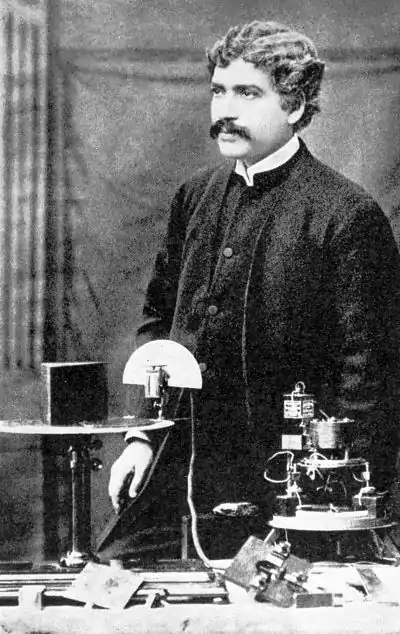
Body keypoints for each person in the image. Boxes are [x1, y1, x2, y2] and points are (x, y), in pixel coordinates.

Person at [105, 20, 400, 560]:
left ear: (294, 105)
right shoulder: (194, 197)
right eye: (218, 91)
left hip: (292, 496)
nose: (224, 110)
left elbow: (368, 381)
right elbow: (158, 326)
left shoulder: (346, 214)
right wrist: (142, 437)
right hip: (182, 478)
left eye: (247, 93)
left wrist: (334, 500)